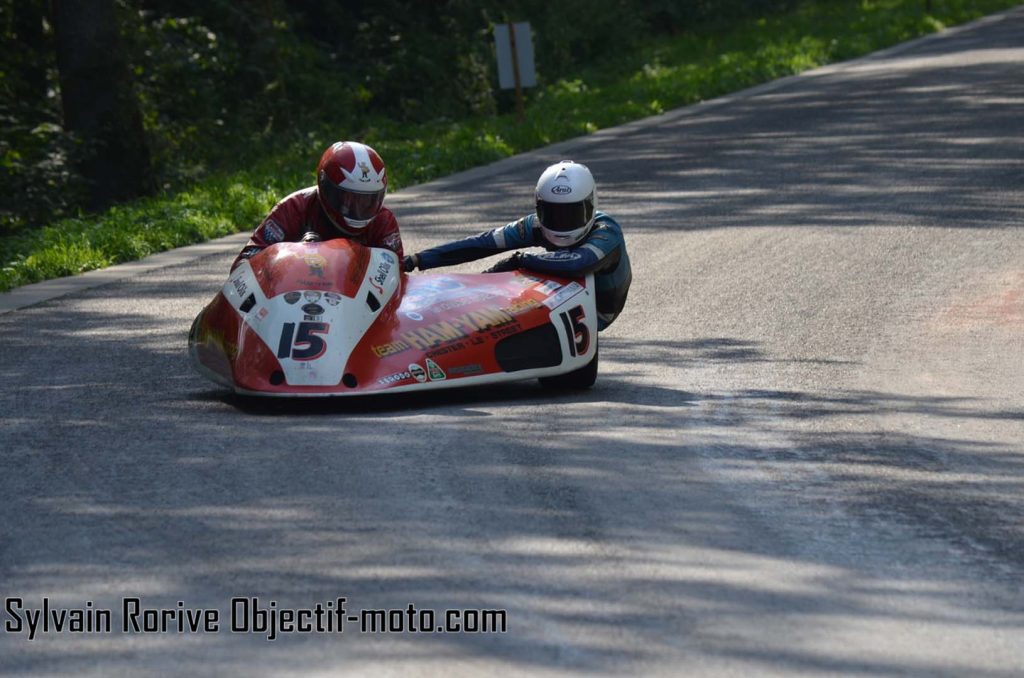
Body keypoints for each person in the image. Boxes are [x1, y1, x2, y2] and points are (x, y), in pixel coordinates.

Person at [405, 160, 630, 330]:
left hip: (599, 311)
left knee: (530, 271)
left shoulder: (607, 231)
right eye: (552, 213)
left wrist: (520, 261)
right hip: (562, 301)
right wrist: (419, 259)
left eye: (571, 213)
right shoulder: (535, 225)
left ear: (591, 205)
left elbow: (579, 263)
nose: (561, 223)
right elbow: (481, 243)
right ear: (539, 208)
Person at [231, 141, 403, 270]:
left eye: (367, 202)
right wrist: (293, 254)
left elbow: (396, 274)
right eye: (347, 200)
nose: (357, 210)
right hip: (292, 303)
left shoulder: (383, 221)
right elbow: (246, 261)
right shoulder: (294, 208)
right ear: (325, 186)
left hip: (356, 308)